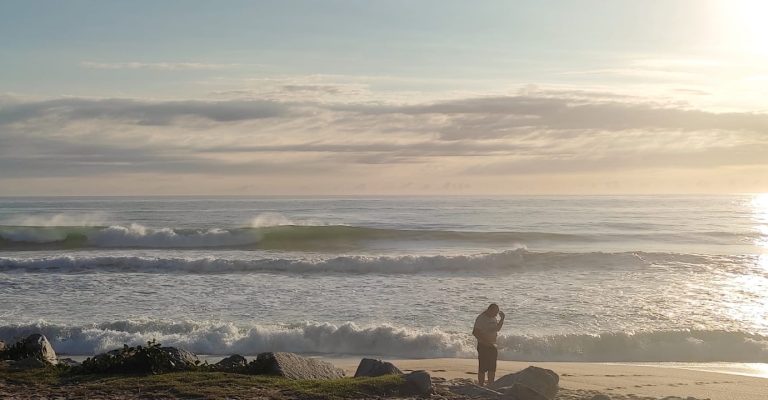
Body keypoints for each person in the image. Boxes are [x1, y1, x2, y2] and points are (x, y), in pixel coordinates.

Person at [472, 303, 505, 386]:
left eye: (497, 313)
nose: (496, 314)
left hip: (492, 345)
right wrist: (485, 342)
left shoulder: (493, 318)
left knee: (492, 367)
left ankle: (491, 384)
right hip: (483, 346)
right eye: (495, 312)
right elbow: (475, 332)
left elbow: (497, 329)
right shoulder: (481, 318)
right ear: (489, 310)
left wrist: (502, 319)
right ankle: (481, 384)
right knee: (483, 367)